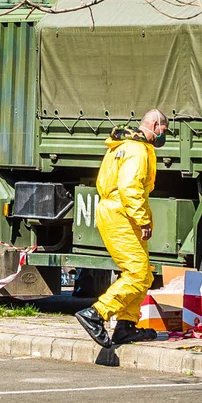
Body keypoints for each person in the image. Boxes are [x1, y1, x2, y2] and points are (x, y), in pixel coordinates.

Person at [75, 110, 167, 347]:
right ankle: (96, 314)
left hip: (119, 211)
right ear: (155, 125)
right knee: (137, 273)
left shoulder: (123, 146)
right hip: (121, 213)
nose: (163, 137)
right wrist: (142, 219)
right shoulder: (136, 150)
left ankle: (126, 326)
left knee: (144, 274)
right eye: (163, 131)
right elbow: (130, 188)